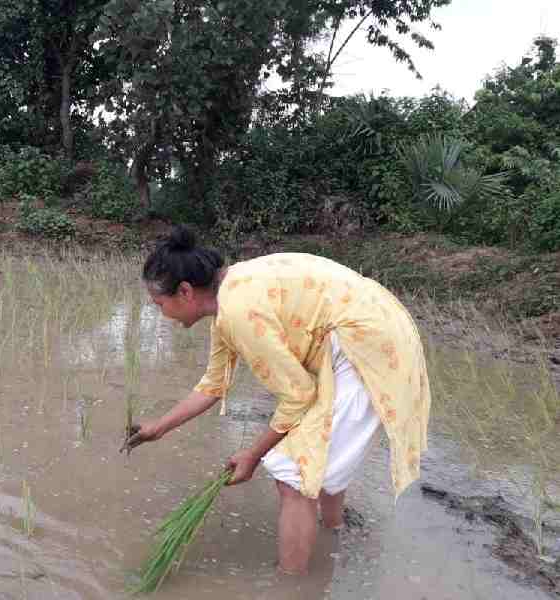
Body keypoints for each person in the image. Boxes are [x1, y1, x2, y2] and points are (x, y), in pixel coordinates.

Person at [123, 226, 430, 575]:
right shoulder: (230, 297)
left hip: (366, 344)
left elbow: (298, 396)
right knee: (321, 452)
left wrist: (253, 455)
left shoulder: (238, 310)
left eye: (159, 304)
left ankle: (292, 586)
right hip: (372, 332)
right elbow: (213, 384)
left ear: (185, 291)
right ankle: (333, 532)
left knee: (293, 475)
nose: (161, 314)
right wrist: (158, 428)